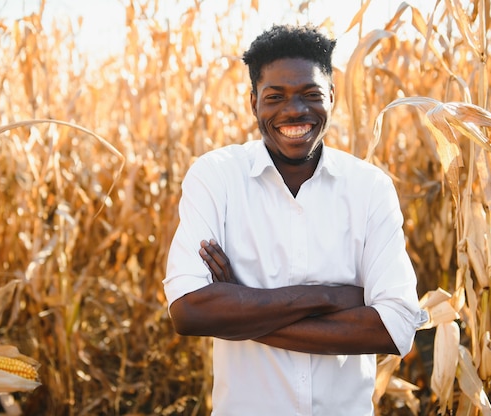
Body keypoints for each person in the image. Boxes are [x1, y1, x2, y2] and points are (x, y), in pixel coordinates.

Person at [163, 24, 427, 416]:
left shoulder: (370, 188)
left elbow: (394, 328)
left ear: (332, 97)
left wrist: (241, 303)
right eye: (275, 97)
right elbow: (189, 310)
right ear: (253, 101)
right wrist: (328, 297)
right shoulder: (216, 176)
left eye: (311, 95)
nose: (294, 111)